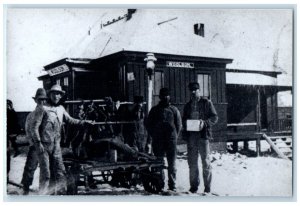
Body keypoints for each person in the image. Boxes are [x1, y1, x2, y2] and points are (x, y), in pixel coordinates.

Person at [31, 84, 92, 195]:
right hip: (44, 146)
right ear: (50, 95)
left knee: (60, 173)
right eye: (54, 93)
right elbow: (34, 128)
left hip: (56, 147)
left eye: (58, 94)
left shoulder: (61, 109)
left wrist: (84, 122)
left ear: (61, 96)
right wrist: (38, 143)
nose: (56, 96)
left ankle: (59, 197)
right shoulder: (43, 108)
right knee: (46, 175)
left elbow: (70, 120)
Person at [182, 82, 218, 194]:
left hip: (203, 137)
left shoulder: (206, 103)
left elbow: (215, 117)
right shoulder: (187, 106)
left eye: (195, 90)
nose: (193, 92)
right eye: (191, 90)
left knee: (206, 162)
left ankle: (207, 188)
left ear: (199, 91)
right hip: (191, 137)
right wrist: (186, 124)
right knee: (192, 163)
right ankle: (193, 187)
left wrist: (205, 123)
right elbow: (184, 120)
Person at [146, 88, 182, 192]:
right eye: (163, 96)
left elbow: (179, 125)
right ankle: (160, 183)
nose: (165, 97)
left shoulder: (174, 110)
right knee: (159, 162)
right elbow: (149, 124)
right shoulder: (154, 110)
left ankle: (172, 185)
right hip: (158, 141)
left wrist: (174, 136)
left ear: (169, 97)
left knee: (172, 164)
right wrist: (154, 135)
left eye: (167, 95)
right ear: (160, 97)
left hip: (171, 141)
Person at [21, 88, 48, 195]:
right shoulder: (31, 115)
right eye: (40, 99)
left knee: (47, 169)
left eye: (44, 100)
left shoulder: (47, 113)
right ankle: (26, 188)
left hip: (47, 145)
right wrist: (34, 144)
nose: (42, 102)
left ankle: (45, 190)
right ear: (35, 100)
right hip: (36, 145)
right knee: (30, 167)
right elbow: (29, 130)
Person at [7, 99, 21, 181]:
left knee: (12, 141)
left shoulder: (12, 112)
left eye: (8, 105)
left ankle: (16, 150)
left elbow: (15, 122)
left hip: (12, 130)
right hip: (10, 130)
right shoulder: (8, 112)